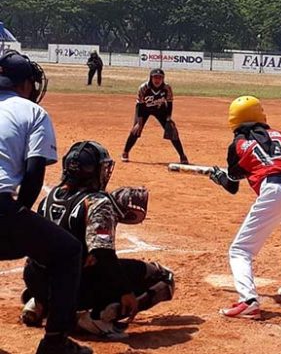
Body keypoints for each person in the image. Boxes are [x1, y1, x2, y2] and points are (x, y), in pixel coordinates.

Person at [20, 140, 175, 339]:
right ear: (92, 171)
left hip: (37, 281)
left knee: (54, 262)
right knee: (163, 277)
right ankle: (97, 317)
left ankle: (40, 303)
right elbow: (102, 253)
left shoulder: (48, 198)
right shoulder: (96, 202)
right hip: (75, 288)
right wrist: (125, 290)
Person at [0, 50, 92, 354]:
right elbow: (34, 169)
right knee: (67, 251)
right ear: (25, 83)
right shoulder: (31, 111)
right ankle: (55, 343)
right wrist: (22, 214)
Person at [209, 96, 281, 319]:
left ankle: (248, 300)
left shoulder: (237, 145)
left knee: (240, 251)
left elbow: (232, 186)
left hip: (277, 190)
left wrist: (220, 177)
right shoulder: (278, 134)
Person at [121, 68, 189, 164]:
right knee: (136, 129)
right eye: (155, 78)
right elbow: (140, 105)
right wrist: (139, 123)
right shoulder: (143, 88)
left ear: (163, 79)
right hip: (144, 109)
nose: (157, 80)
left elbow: (169, 103)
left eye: (160, 78)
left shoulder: (167, 88)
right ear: (151, 78)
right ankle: (125, 152)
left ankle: (182, 155)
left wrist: (169, 118)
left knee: (172, 130)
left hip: (160, 109)